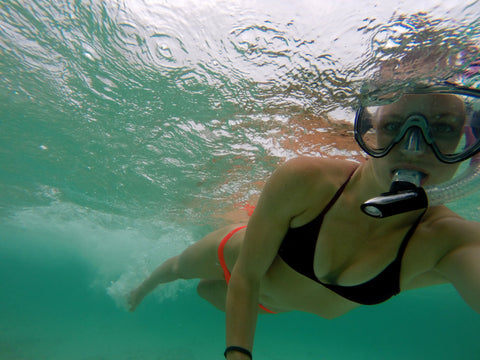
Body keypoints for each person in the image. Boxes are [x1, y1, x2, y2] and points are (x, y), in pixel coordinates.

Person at [127, 83, 480, 360]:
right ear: (370, 133)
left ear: (469, 141)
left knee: (206, 292)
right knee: (178, 267)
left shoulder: (449, 240)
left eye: (444, 128)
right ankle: (143, 287)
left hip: (270, 305)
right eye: (393, 126)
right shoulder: (307, 179)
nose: (415, 147)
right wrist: (238, 354)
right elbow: (246, 276)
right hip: (235, 263)